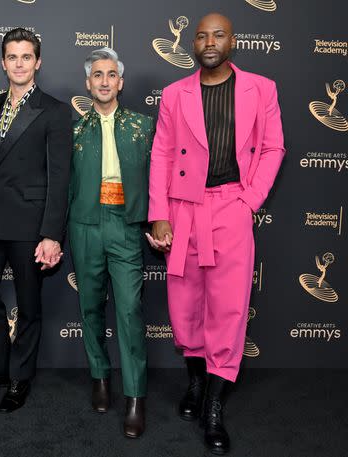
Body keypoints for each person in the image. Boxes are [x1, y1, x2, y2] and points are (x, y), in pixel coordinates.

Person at [147, 13, 285, 454]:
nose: (209, 41)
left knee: (227, 307)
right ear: (194, 43)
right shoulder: (174, 93)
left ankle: (213, 404)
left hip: (231, 206)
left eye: (218, 34)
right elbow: (162, 152)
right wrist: (159, 214)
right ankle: (195, 382)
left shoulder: (260, 88)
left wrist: (249, 201)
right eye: (202, 35)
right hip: (183, 208)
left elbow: (272, 147)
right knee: (184, 304)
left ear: (233, 41)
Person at [0, 28, 72, 412]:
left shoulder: (57, 111)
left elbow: (61, 177)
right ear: (3, 62)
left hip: (31, 224)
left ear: (38, 62)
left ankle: (19, 378)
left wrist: (52, 234)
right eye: (12, 57)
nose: (19, 64)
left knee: (28, 305)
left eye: (27, 57)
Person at [69, 47, 154, 438]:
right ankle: (100, 376)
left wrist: (158, 221)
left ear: (120, 81)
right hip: (85, 224)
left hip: (126, 224)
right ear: (88, 83)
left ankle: (135, 396)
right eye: (97, 75)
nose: (104, 81)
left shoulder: (144, 126)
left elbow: (162, 179)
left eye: (111, 75)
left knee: (130, 310)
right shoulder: (72, 130)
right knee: (89, 306)